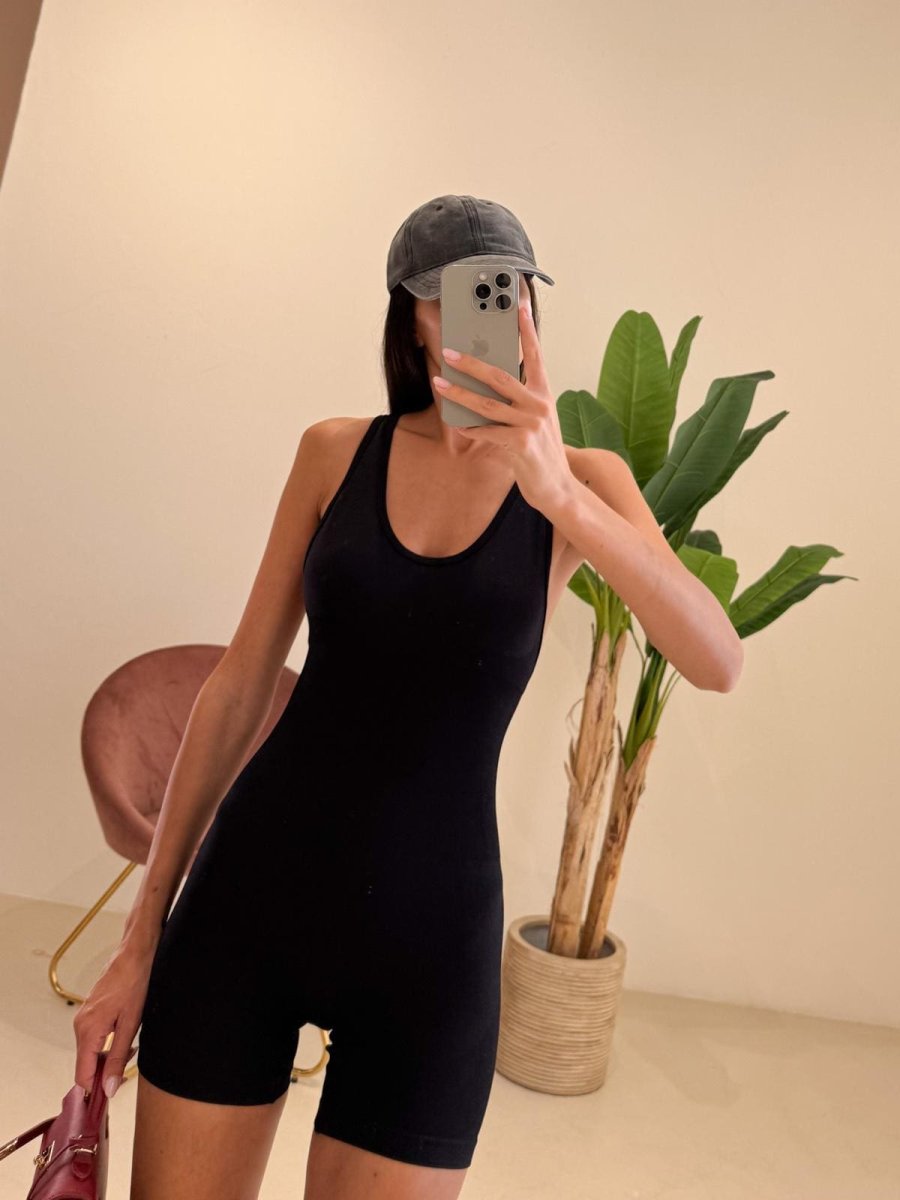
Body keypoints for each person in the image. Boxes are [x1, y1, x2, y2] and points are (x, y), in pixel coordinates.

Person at [72, 194, 576, 1200]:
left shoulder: (577, 487)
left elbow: (714, 655)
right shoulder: (335, 451)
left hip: (434, 947)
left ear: (531, 308)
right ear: (410, 317)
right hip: (250, 900)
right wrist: (139, 938)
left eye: (504, 290)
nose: (485, 312)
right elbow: (240, 682)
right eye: (452, 295)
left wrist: (557, 488)